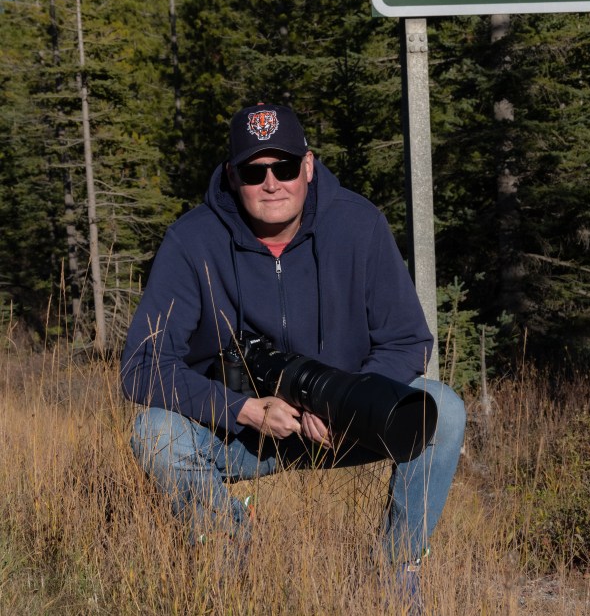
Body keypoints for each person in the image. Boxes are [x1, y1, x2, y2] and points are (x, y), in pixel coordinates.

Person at [120, 101, 465, 601]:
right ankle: (229, 543)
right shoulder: (193, 241)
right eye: (253, 171)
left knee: (443, 411)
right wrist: (242, 409)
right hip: (240, 431)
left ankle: (396, 571)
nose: (270, 183)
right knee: (153, 432)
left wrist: (349, 402)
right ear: (232, 176)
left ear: (307, 165)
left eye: (283, 167)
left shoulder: (357, 225)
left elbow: (407, 340)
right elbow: (142, 365)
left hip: (338, 423)